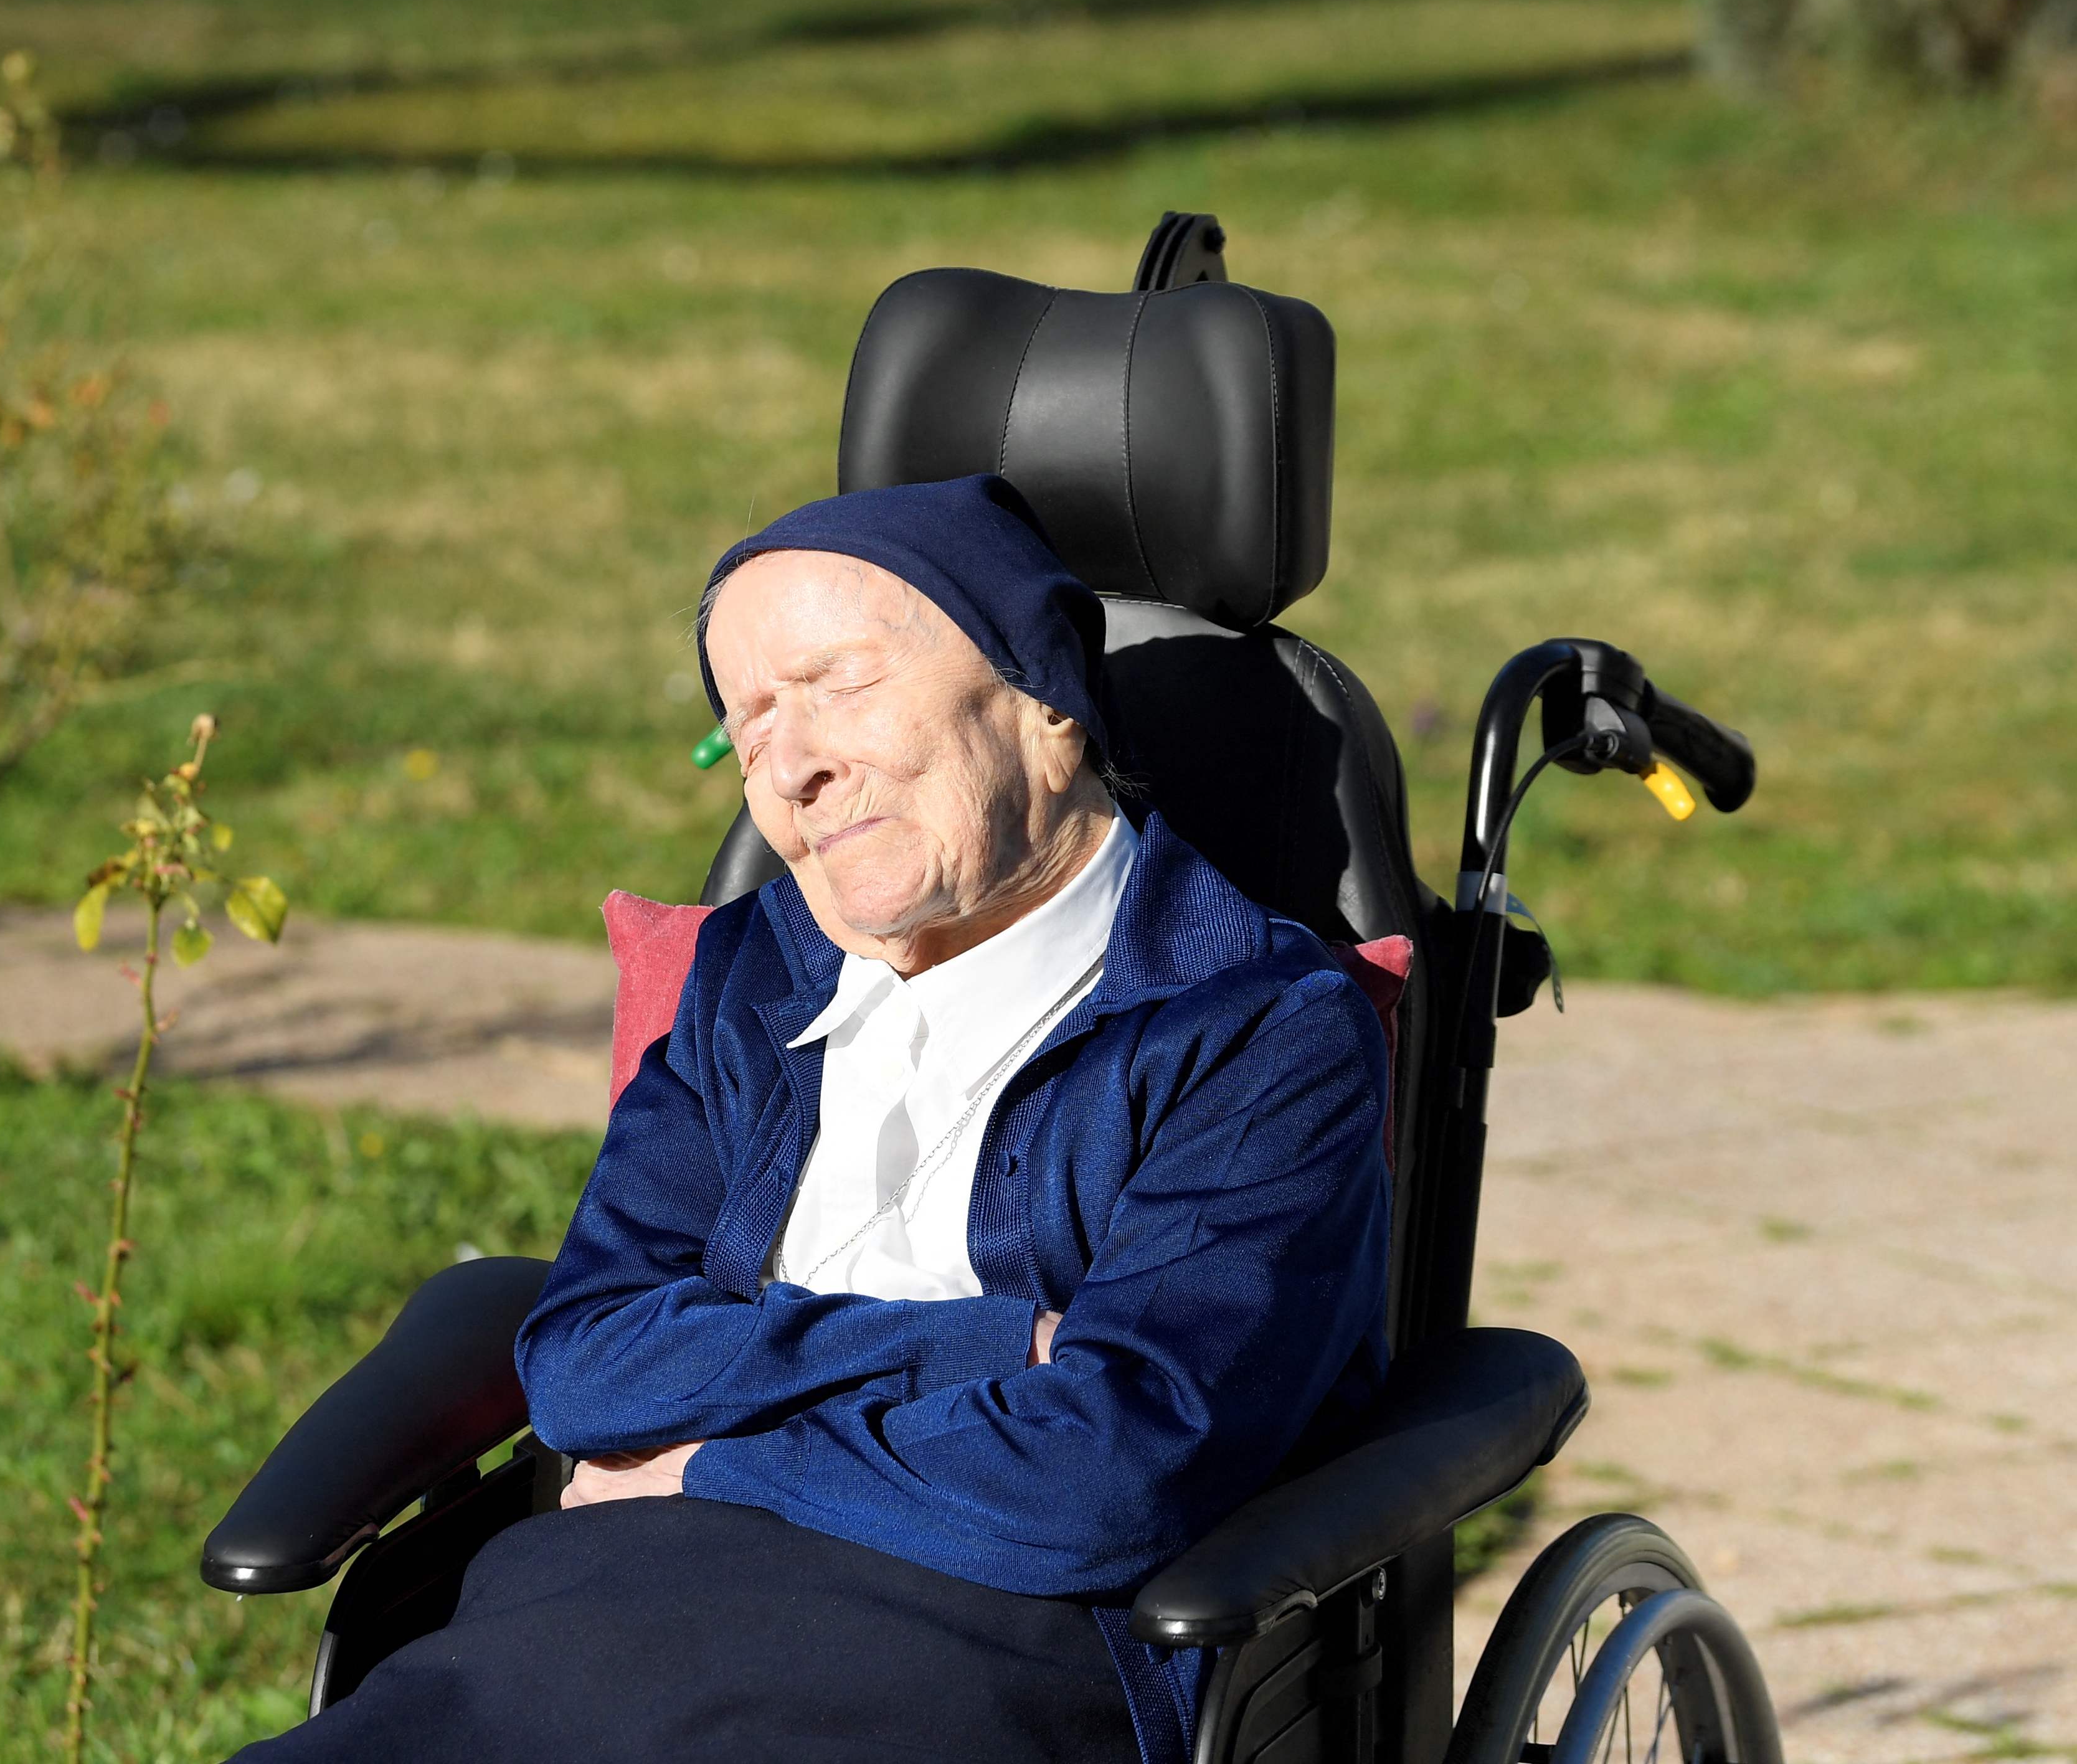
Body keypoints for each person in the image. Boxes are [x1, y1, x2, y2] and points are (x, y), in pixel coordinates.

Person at [240, 476, 1389, 1764]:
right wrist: (992, 1347)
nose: (788, 768)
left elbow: (1110, 1472)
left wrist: (713, 1458)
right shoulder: (753, 980)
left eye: (835, 682)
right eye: (747, 727)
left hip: (977, 1644)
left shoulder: (1253, 1028)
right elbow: (586, 1355)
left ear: (1047, 700)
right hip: (587, 1611)